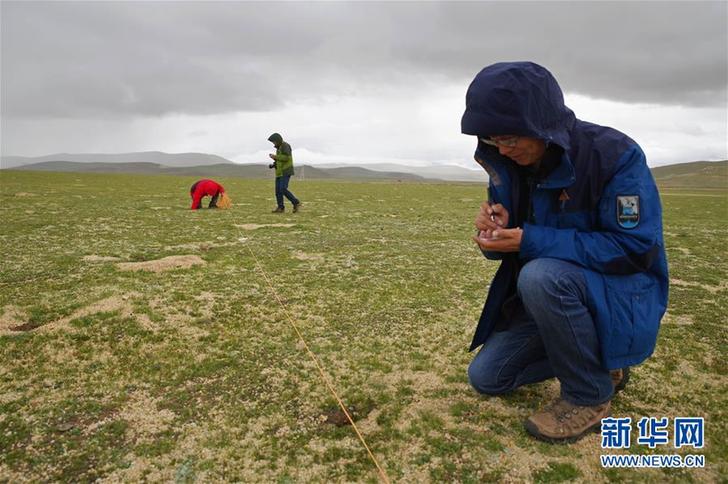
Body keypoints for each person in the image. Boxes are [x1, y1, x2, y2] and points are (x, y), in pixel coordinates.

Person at [461, 62, 668, 443]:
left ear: (540, 124)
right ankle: (601, 364)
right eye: (492, 140)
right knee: (488, 378)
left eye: (509, 137)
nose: (502, 149)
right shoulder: (510, 166)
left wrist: (528, 240)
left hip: (617, 295)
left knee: (541, 276)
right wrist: (494, 234)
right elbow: (515, 249)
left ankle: (589, 395)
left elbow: (636, 249)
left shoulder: (614, 155)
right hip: (554, 302)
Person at [267, 132, 301, 213]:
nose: (273, 143)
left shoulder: (285, 146)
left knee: (282, 189)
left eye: (274, 141)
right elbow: (280, 160)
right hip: (279, 172)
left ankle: (296, 202)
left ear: (278, 140)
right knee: (278, 190)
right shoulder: (278, 148)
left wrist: (275, 157)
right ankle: (280, 208)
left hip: (286, 171)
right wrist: (274, 164)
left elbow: (286, 158)